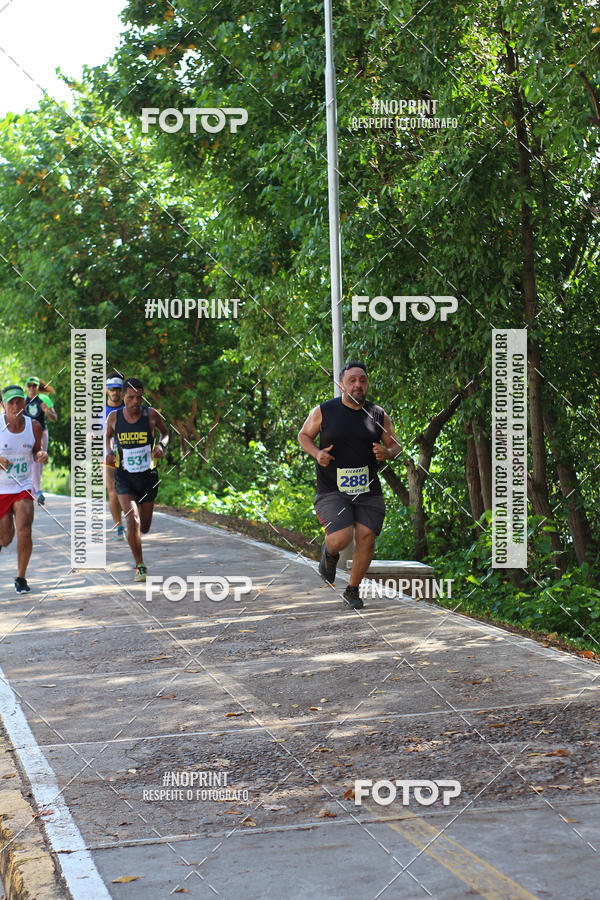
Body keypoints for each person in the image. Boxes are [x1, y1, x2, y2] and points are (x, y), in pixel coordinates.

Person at [298, 361, 402, 609]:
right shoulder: (324, 411)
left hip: (368, 490)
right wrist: (316, 453)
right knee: (341, 538)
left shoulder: (378, 414)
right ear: (341, 384)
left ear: (366, 385)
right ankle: (329, 552)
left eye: (362, 381)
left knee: (366, 536)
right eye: (352, 380)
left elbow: (397, 447)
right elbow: (304, 435)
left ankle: (353, 590)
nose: (358, 385)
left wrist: (387, 452)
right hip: (332, 490)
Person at [105, 377, 168, 582]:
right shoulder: (114, 418)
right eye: (130, 397)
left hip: (147, 477)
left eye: (138, 397)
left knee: (145, 526)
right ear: (123, 397)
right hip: (124, 477)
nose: (135, 402)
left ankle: (137, 536)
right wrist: (109, 452)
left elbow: (165, 434)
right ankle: (140, 565)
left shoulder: (150, 415)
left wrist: (161, 446)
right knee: (132, 520)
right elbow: (107, 437)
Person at [0, 385, 48, 593]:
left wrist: (41, 455)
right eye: (10, 402)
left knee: (25, 530)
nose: (15, 405)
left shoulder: (34, 426)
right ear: (3, 405)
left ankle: (21, 577)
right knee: (5, 538)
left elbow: (37, 450)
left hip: (23, 486)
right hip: (1, 488)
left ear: (25, 403)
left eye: (19, 401)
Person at [24, 376, 57, 506]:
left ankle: (34, 487)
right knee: (34, 460)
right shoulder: (23, 401)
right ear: (26, 386)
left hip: (42, 433)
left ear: (38, 387)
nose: (32, 388)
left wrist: (47, 411)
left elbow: (54, 418)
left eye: (34, 386)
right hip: (28, 433)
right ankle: (38, 491)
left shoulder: (44, 399)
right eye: (29, 385)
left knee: (41, 460)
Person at [103, 373, 126, 540]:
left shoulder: (130, 409)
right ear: (106, 390)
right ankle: (119, 528)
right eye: (112, 389)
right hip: (106, 454)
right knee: (112, 492)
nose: (115, 393)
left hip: (128, 453)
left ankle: (131, 519)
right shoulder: (100, 412)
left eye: (118, 389)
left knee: (128, 492)